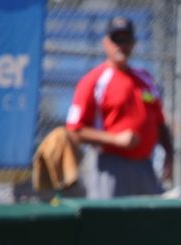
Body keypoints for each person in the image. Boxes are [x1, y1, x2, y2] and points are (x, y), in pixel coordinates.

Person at [65, 16, 173, 198]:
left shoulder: (145, 78)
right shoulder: (94, 81)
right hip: (110, 166)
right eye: (116, 39)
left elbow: (160, 123)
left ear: (134, 44)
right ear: (106, 42)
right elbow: (74, 130)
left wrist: (170, 155)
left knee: (147, 223)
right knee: (109, 223)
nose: (121, 45)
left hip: (144, 165)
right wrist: (115, 139)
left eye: (126, 40)